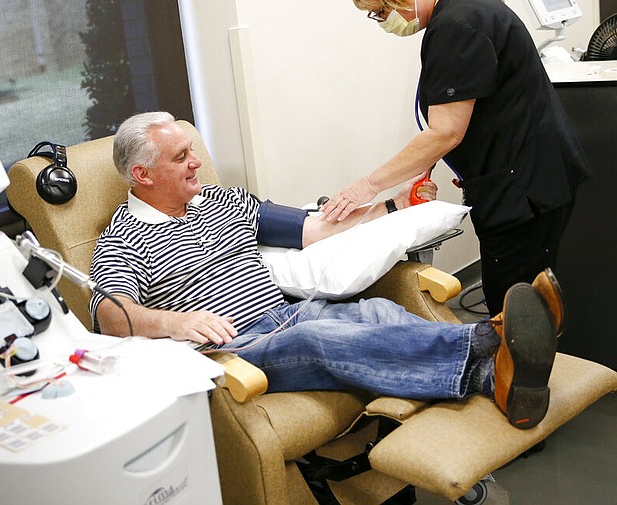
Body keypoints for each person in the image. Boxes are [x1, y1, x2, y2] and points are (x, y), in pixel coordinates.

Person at [89, 111, 563, 429]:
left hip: (290, 314)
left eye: (193, 150)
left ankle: (492, 380)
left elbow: (314, 230)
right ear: (143, 176)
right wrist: (174, 322)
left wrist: (395, 204)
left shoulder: (220, 199)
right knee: (315, 341)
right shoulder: (124, 238)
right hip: (234, 351)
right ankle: (487, 338)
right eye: (181, 158)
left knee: (373, 311)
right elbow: (112, 317)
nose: (197, 163)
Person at [320, 0, 590, 318]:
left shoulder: (457, 26)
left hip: (525, 191)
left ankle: (525, 375)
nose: (382, 21)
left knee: (515, 306)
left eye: (381, 10)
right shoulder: (465, 2)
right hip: (530, 174)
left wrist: (366, 186)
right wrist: (419, 175)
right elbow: (460, 109)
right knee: (524, 296)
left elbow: (446, 132)